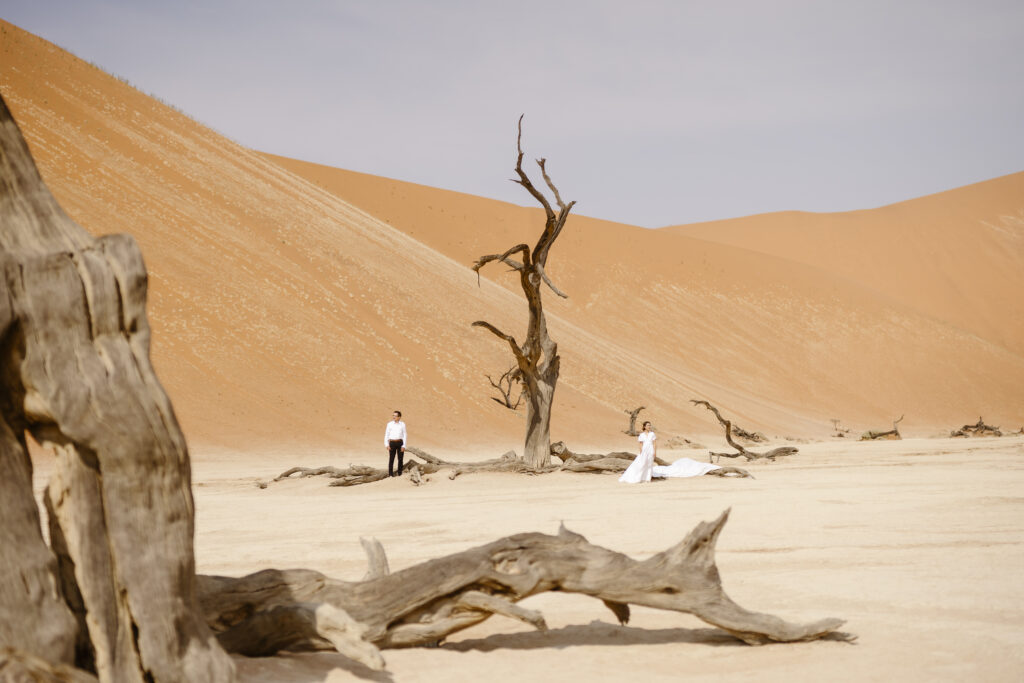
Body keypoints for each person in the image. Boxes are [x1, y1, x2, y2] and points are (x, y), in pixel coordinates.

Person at [384, 410, 407, 477]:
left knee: (400, 459)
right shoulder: (389, 424)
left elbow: (405, 434)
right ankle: (390, 474)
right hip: (392, 443)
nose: (394, 417)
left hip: (400, 442)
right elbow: (386, 435)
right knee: (391, 459)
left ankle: (400, 473)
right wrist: (386, 444)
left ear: (399, 417)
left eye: (395, 416)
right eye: (393, 415)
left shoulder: (403, 424)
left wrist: (404, 445)